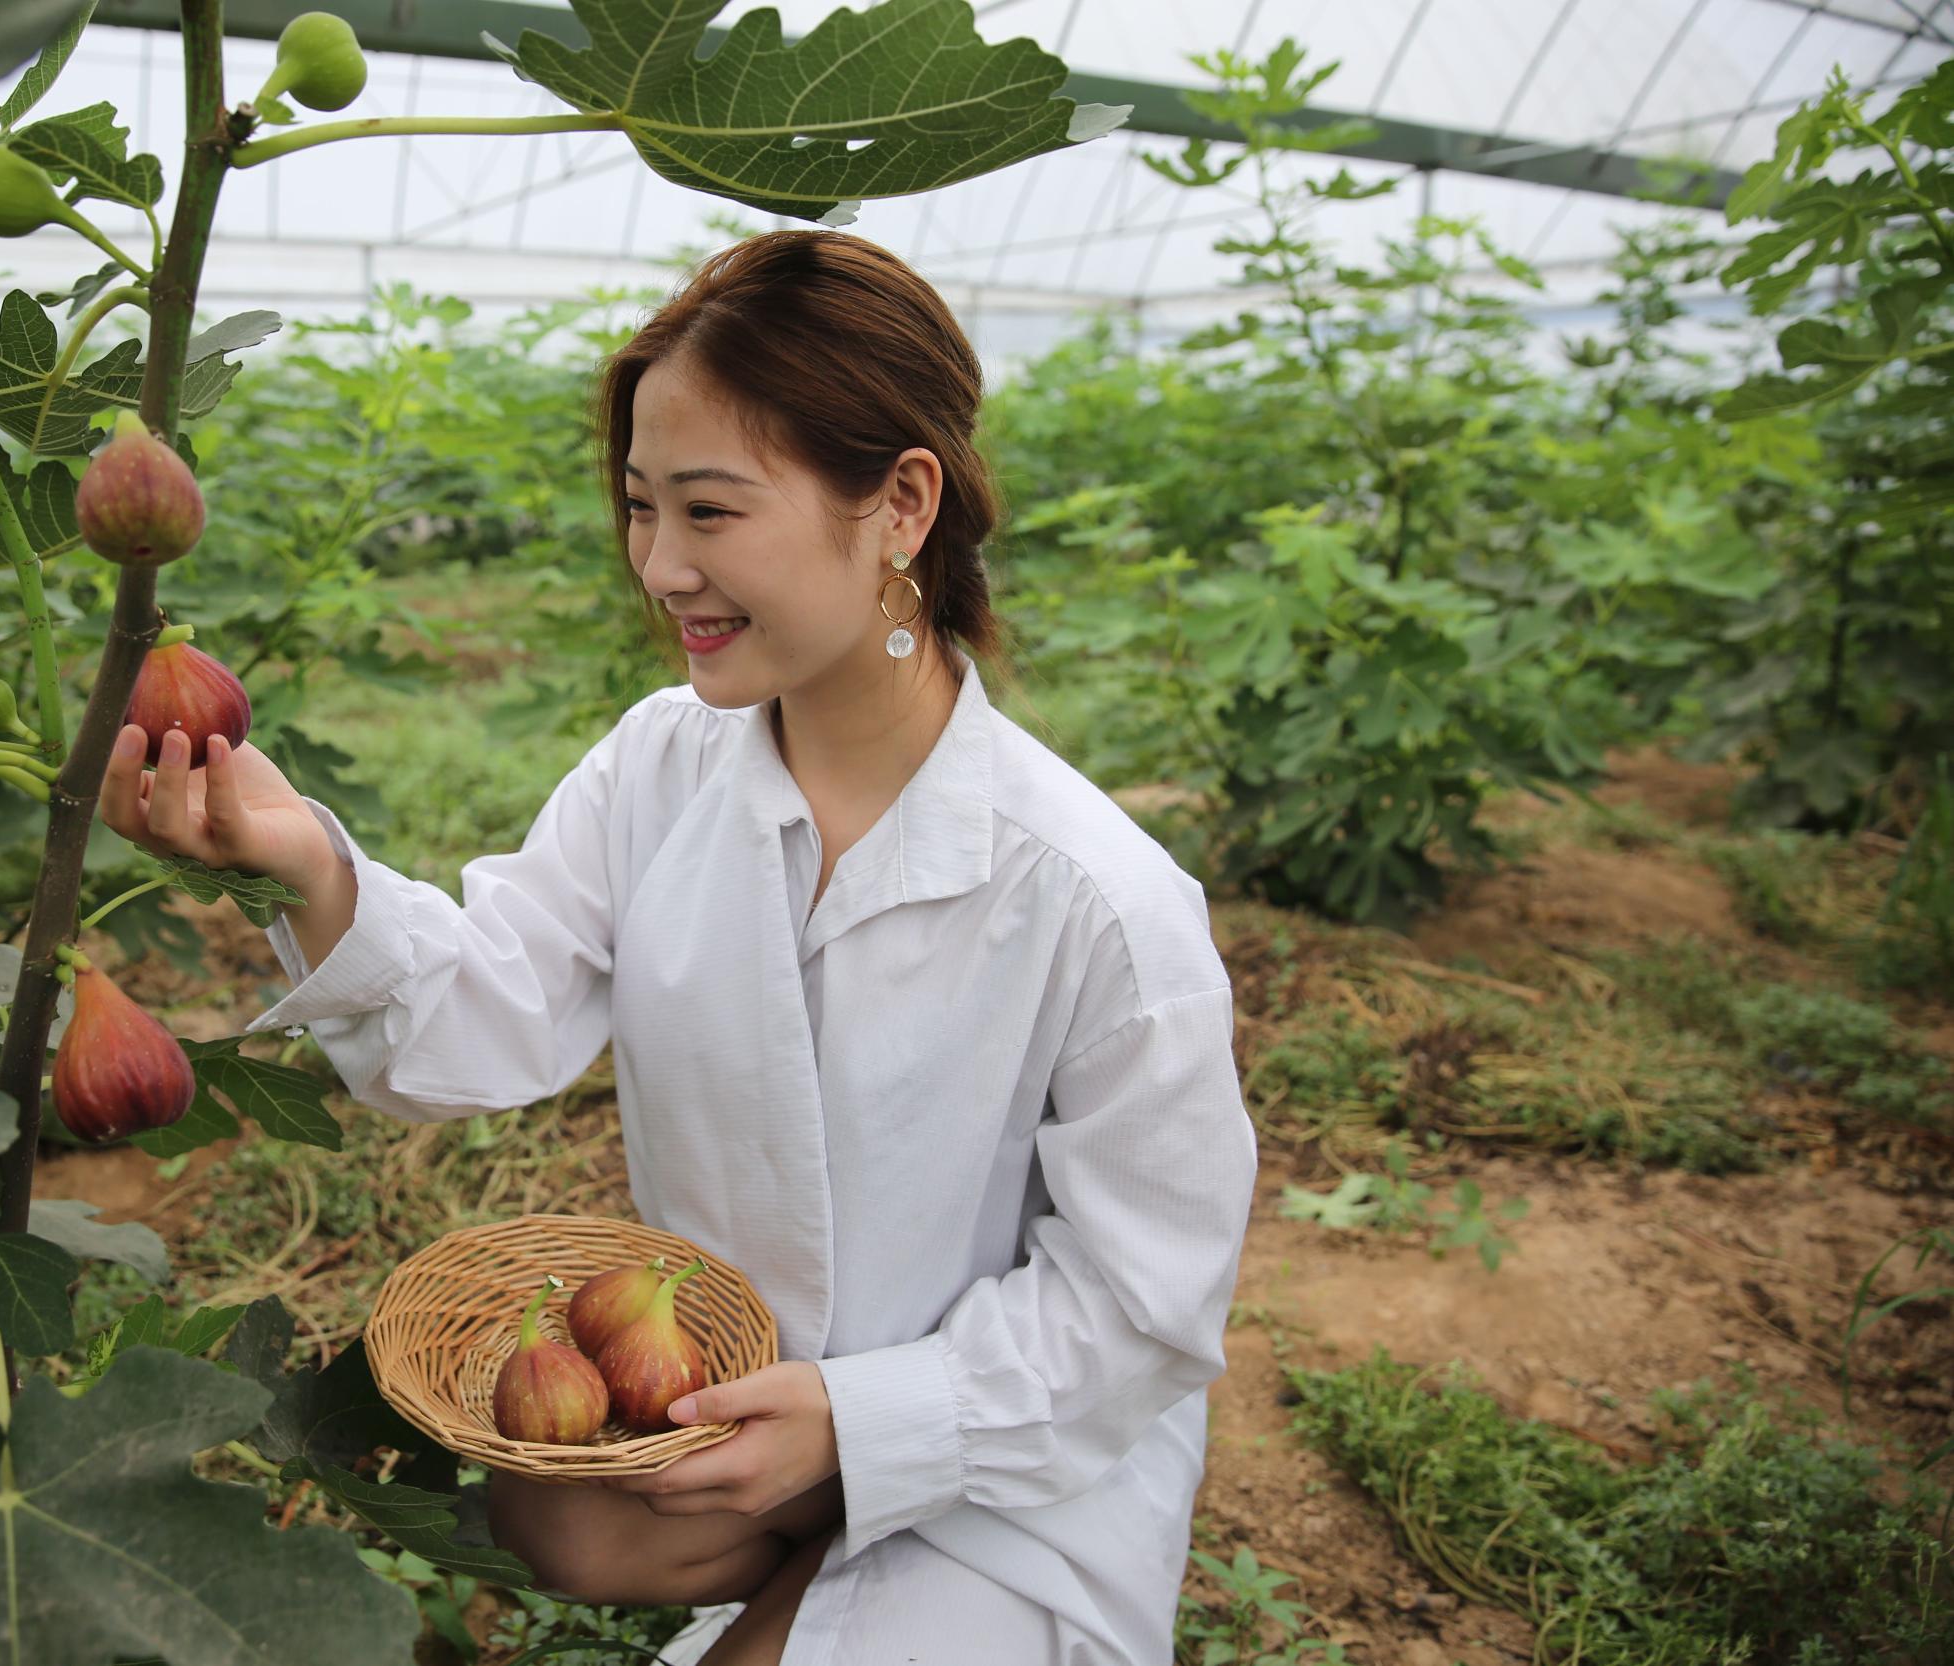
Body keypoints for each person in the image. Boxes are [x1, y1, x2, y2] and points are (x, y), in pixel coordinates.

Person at [96, 229, 1258, 1666]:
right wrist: (308, 862)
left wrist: (865, 1421)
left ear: (900, 505)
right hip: (736, 1396)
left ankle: (876, 1592)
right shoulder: (665, 766)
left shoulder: (1097, 898)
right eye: (644, 509)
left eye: (711, 512)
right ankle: (807, 1567)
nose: (660, 566)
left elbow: (1141, 1314)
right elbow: (491, 1004)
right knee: (561, 1517)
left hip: (1025, 1447)